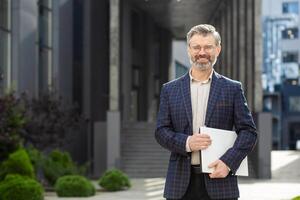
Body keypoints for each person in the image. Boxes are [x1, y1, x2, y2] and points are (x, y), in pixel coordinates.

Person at [155, 24, 257, 200]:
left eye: (208, 47)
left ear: (218, 49)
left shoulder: (232, 89)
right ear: (189, 50)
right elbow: (161, 131)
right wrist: (187, 142)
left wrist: (229, 162)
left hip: (221, 181)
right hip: (180, 185)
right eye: (196, 47)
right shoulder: (170, 90)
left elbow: (249, 132)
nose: (202, 52)